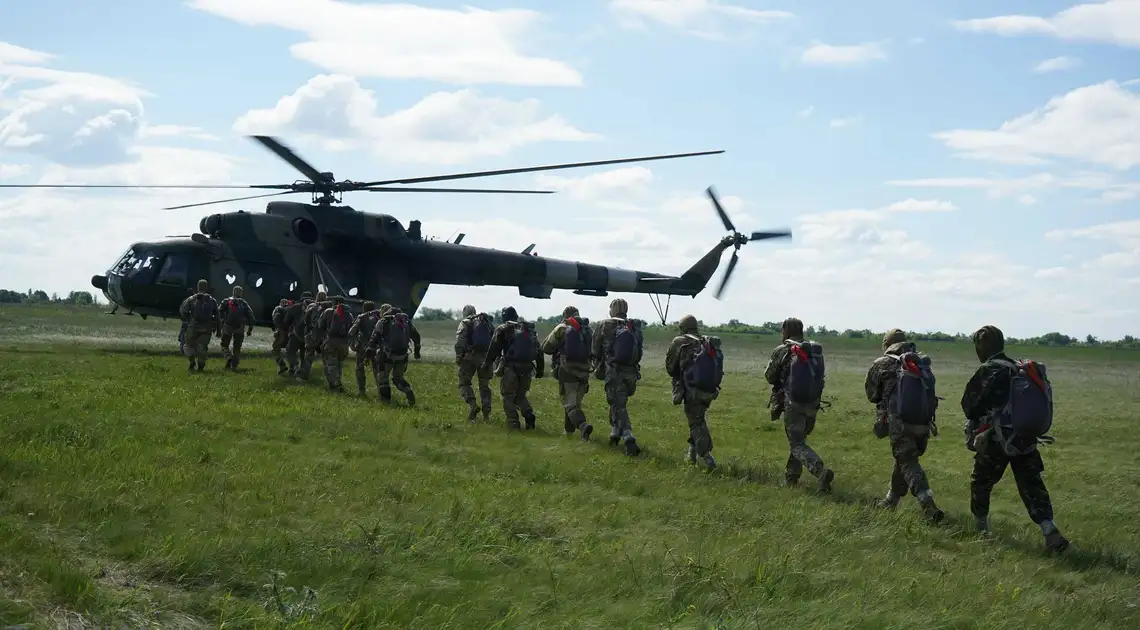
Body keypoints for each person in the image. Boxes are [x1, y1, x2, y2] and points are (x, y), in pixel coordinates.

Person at [962, 324, 1069, 552]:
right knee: (1032, 485)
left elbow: (969, 406)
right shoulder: (1018, 369)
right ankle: (1050, 531)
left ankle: (982, 531)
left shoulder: (990, 370)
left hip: (996, 440)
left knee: (981, 482)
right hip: (1025, 438)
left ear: (982, 346)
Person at [865, 328, 944, 522]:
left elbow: (871, 394)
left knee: (908, 462)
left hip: (900, 423)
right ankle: (891, 500)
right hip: (924, 422)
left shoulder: (883, 362)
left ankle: (929, 506)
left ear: (886, 344)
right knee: (904, 459)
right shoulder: (918, 363)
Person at [764, 317, 835, 493]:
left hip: (793, 403)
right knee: (798, 441)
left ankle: (820, 471)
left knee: (797, 444)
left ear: (785, 330)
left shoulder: (784, 350)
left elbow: (770, 376)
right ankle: (791, 478)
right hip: (812, 403)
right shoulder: (814, 351)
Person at [664, 314, 721, 470]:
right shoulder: (705, 342)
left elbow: (670, 367)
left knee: (696, 423)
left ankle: (707, 457)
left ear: (682, 328)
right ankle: (691, 456)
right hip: (708, 390)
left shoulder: (680, 342)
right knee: (697, 418)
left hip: (691, 390)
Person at [592, 298, 644, 456]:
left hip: (614, 371)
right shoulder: (634, 326)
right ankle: (614, 433)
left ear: (612, 310)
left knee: (618, 404)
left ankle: (628, 436)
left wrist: (599, 362)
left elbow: (595, 349)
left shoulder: (605, 325)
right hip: (632, 373)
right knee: (618, 402)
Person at [481, 306, 543, 430]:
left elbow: (493, 349)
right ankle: (528, 413)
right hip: (527, 368)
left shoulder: (503, 329)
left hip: (511, 368)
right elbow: (539, 350)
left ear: (504, 316)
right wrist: (540, 369)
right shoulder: (528, 330)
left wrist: (487, 363)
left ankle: (513, 424)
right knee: (520, 395)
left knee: (508, 396)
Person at [542, 305, 594, 441]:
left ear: (565, 316)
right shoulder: (588, 330)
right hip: (584, 371)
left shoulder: (562, 328)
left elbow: (546, 347)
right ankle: (569, 432)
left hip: (567, 370)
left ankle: (583, 426)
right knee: (574, 402)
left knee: (569, 403)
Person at [366, 304, 421, 405]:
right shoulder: (406, 322)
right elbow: (416, 336)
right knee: (398, 378)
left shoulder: (383, 321)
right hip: (402, 355)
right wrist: (417, 351)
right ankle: (408, 391)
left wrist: (370, 351)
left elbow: (374, 337)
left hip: (387, 355)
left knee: (383, 378)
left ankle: (386, 401)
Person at [454, 305, 495, 422]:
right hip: (485, 359)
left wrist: (459, 356)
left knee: (464, 383)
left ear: (464, 312)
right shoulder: (487, 323)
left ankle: (472, 405)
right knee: (484, 386)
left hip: (469, 357)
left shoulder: (466, 322)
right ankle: (486, 415)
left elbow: (459, 341)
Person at [177, 279, 218, 373]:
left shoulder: (192, 299)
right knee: (203, 347)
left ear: (198, 287)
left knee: (187, 345)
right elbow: (217, 315)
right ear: (206, 287)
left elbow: (183, 311)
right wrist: (217, 328)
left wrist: (187, 321)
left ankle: (192, 360)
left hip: (193, 326)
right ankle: (201, 365)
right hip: (207, 327)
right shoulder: (212, 300)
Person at [318, 295, 354, 392]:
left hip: (331, 342)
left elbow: (320, 325)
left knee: (331, 364)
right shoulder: (349, 314)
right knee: (338, 365)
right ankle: (336, 383)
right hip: (344, 343)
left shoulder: (328, 312)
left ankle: (336, 385)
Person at [216, 285, 255, 371]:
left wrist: (220, 324)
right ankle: (234, 365)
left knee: (224, 345)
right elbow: (251, 317)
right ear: (241, 293)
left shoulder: (226, 301)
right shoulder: (244, 303)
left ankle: (228, 356)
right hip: (239, 328)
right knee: (237, 348)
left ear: (233, 292)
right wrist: (250, 329)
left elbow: (219, 312)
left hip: (227, 326)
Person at [347, 300, 381, 395]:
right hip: (377, 348)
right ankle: (381, 390)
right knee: (377, 369)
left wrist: (352, 344)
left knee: (360, 368)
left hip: (362, 346)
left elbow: (351, 332)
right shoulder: (380, 318)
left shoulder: (361, 317)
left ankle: (362, 391)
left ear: (364, 308)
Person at [282, 292, 313, 376]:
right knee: (304, 355)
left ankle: (295, 366)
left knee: (290, 351)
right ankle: (302, 372)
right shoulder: (315, 308)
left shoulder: (295, 307)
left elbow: (286, 321)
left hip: (296, 334)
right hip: (309, 336)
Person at [270, 298, 291, 374]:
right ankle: (293, 368)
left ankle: (282, 365)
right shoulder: (291, 310)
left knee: (275, 348)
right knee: (290, 351)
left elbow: (276, 319)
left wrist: (278, 330)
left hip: (282, 332)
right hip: (291, 333)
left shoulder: (278, 309)